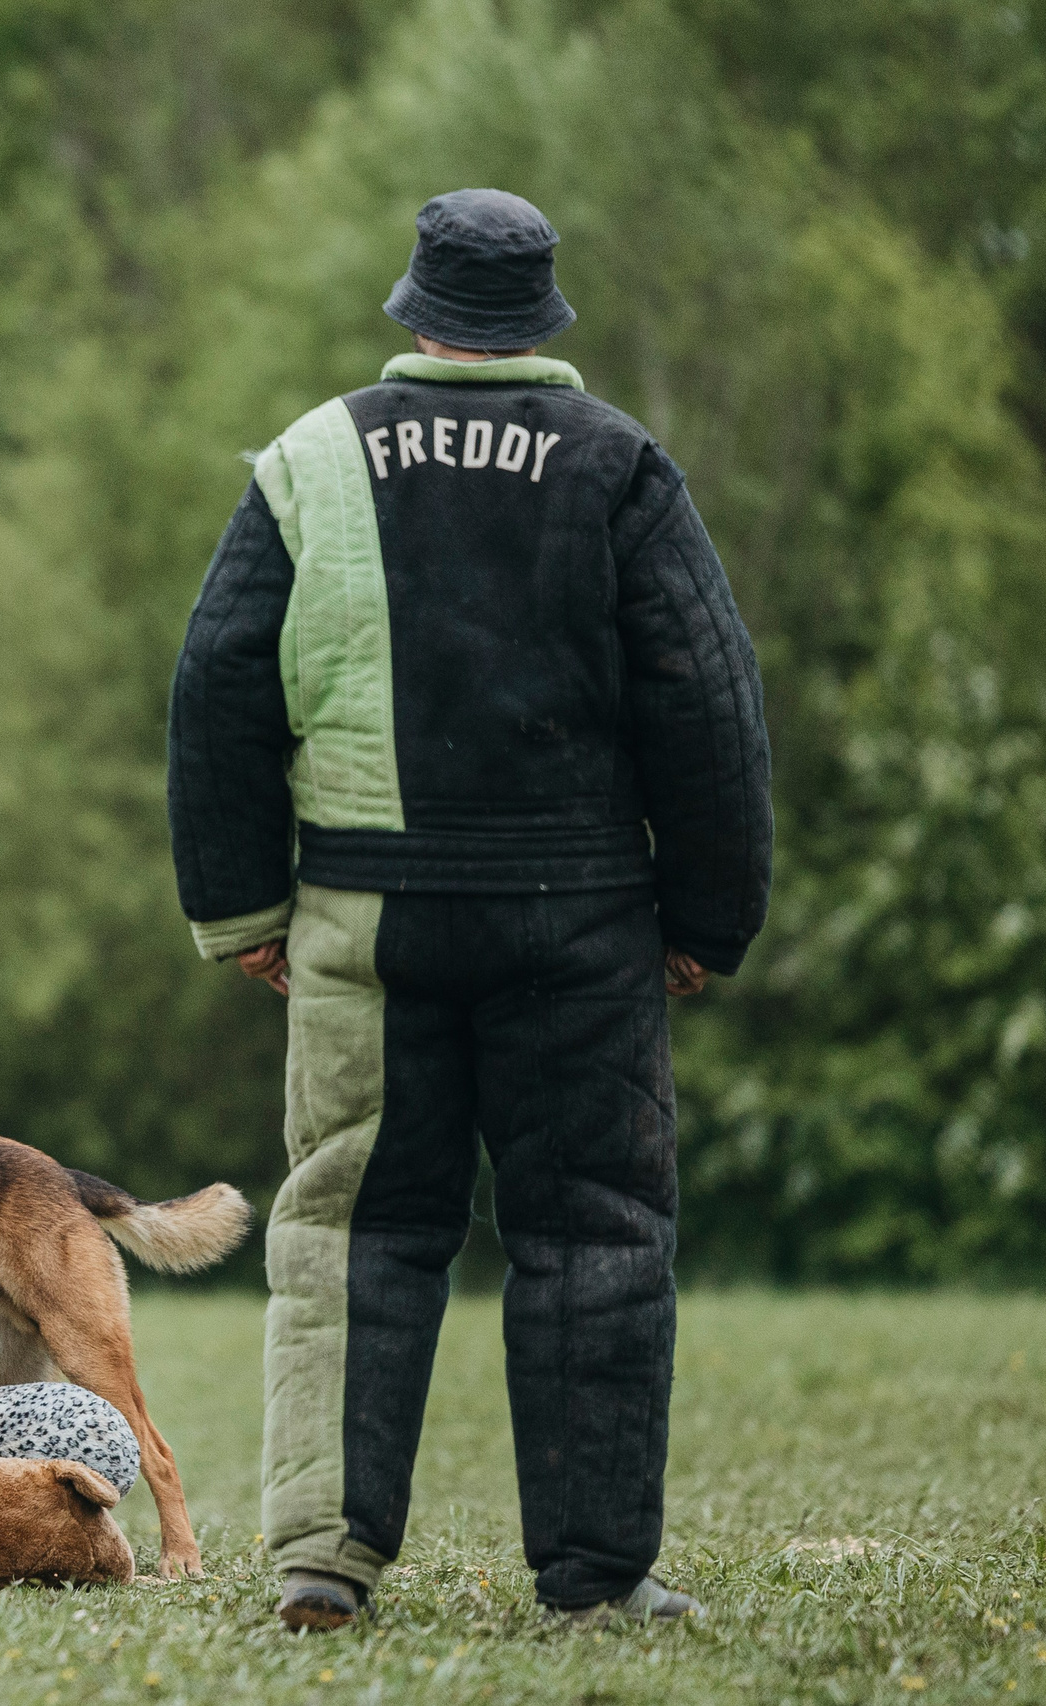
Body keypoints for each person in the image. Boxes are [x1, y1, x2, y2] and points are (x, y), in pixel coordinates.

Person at [166, 188, 771, 1630]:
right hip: (582, 924)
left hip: (370, 917)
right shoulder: (621, 466)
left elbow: (217, 686)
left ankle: (323, 1553)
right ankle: (596, 1577)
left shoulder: (311, 459)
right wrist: (711, 912)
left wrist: (243, 904)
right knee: (595, 1229)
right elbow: (710, 700)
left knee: (351, 1228)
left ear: (416, 310)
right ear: (545, 320)